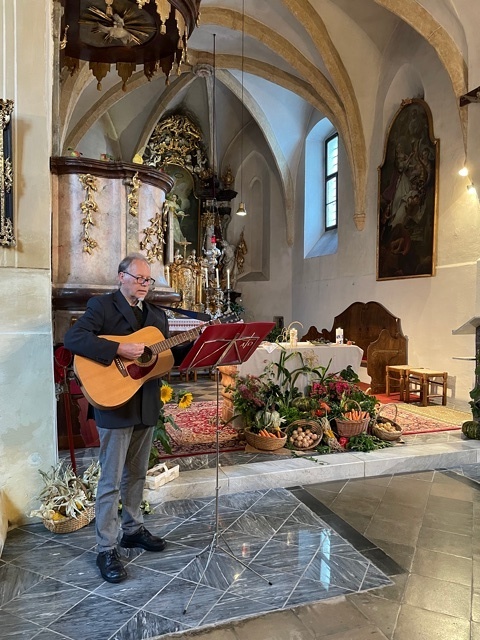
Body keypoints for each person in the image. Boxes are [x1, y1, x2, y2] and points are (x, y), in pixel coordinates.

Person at [64, 253, 170, 584]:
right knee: (110, 481)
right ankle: (106, 548)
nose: (144, 284)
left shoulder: (157, 315)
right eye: (138, 278)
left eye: (148, 280)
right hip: (114, 403)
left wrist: (197, 345)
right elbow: (74, 339)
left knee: (137, 474)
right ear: (121, 276)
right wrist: (118, 350)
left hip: (146, 403)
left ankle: (133, 530)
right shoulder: (102, 307)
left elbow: (164, 357)